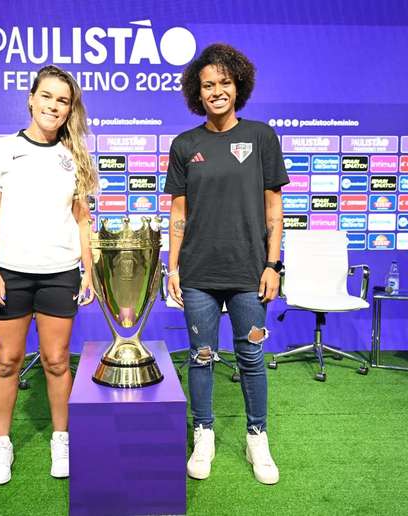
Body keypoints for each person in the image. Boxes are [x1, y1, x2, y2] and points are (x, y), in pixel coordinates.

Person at [164, 43, 289, 483]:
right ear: (197, 94)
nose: (217, 91)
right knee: (201, 356)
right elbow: (178, 214)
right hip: (198, 273)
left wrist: (274, 265)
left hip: (249, 272)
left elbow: (274, 211)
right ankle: (204, 433)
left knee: (251, 355)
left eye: (225, 83)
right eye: (208, 85)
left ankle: (258, 437)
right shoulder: (185, 144)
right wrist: (173, 268)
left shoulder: (261, 136)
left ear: (239, 86)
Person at [0, 65, 97, 484]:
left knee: (57, 361)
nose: (54, 106)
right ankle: (2, 446)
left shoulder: (74, 157)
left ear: (69, 109)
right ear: (31, 98)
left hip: (60, 273)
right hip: (10, 274)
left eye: (63, 101)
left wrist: (89, 271)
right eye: (47, 96)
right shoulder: (2, 149)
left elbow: (82, 221)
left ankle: (60, 440)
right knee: (7, 361)